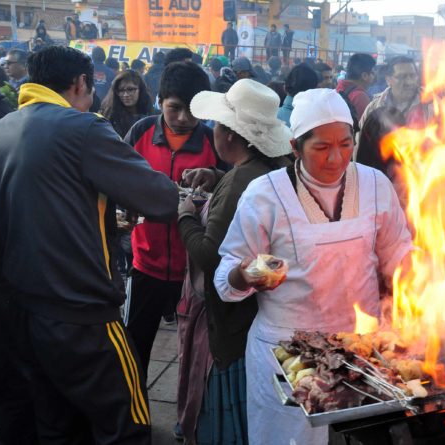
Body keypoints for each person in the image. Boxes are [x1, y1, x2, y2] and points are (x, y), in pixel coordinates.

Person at [0, 45, 178, 444]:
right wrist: (188, 198)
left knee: (56, 423)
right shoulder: (83, 126)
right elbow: (159, 199)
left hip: (25, 312)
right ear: (81, 83)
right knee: (128, 424)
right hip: (86, 316)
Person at [214, 88, 413, 445]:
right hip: (288, 353)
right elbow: (226, 272)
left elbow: (398, 252)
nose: (336, 158)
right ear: (295, 147)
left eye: (345, 144)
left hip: (362, 350)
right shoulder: (264, 194)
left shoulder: (374, 184)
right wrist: (245, 274)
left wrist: (421, 279)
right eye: (321, 147)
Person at [173, 79, 293, 444]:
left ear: (229, 135)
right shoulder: (268, 166)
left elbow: (211, 255)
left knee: (229, 420)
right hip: (261, 312)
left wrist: (185, 216)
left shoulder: (242, 178)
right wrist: (217, 176)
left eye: (217, 126)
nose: (212, 132)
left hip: (231, 320)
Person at [123, 61, 218, 375]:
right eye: (174, 108)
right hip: (145, 261)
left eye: (192, 110)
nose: (183, 119)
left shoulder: (212, 140)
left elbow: (234, 186)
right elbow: (117, 178)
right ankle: (133, 416)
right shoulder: (141, 132)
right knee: (135, 346)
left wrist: (216, 176)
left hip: (193, 268)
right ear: (159, 100)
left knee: (195, 347)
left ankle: (190, 417)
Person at [357, 56, 426, 177]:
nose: (409, 82)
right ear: (388, 79)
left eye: (412, 76)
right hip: (382, 180)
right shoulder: (375, 107)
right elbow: (359, 144)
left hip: (421, 182)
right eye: (402, 77)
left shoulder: (432, 106)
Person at [100, 70, 154, 138]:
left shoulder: (152, 115)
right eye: (121, 90)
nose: (125, 95)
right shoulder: (110, 117)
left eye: (130, 89)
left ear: (140, 90)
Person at [336, 53, 375, 124]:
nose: (374, 77)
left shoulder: (340, 87)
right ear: (365, 76)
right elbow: (364, 127)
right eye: (372, 73)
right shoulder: (360, 97)